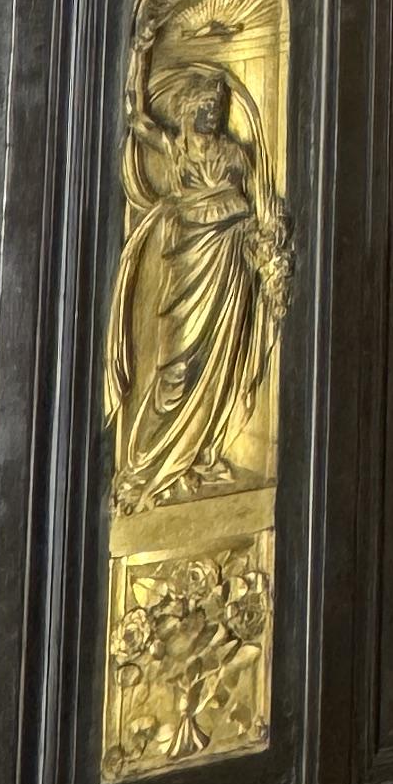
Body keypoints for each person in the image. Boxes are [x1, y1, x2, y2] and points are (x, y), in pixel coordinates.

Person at [105, 45, 287, 503]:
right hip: (189, 265)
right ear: (190, 110)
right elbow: (136, 115)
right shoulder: (177, 149)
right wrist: (140, 53)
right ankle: (145, 464)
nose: (212, 113)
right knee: (177, 367)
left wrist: (268, 248)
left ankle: (196, 452)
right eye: (205, 106)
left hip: (231, 265)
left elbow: (264, 205)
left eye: (217, 107)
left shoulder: (237, 155)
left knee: (218, 361)